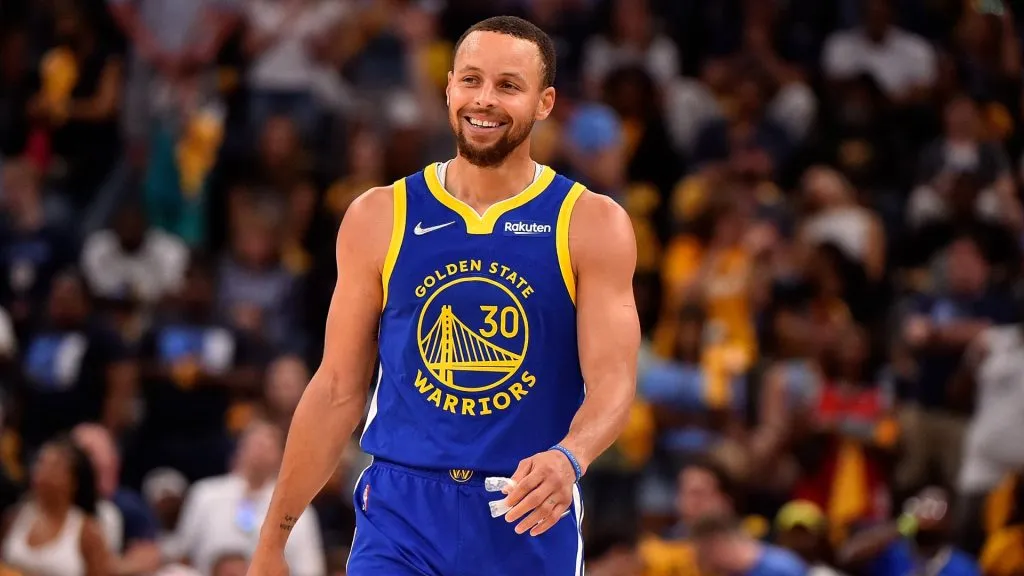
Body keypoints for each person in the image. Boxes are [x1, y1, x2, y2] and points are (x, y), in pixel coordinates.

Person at [248, 14, 640, 576]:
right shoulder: (379, 215)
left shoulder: (591, 222)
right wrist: (273, 539)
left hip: (524, 506)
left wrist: (570, 457)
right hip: (401, 511)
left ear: (545, 103)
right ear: (448, 87)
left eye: (508, 85)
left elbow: (614, 384)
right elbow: (335, 390)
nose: (484, 99)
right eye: (471, 80)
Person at [0, 436, 110, 576]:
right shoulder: (13, 517)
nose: (43, 470)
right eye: (41, 462)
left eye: (55, 466)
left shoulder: (87, 532)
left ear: (74, 481)